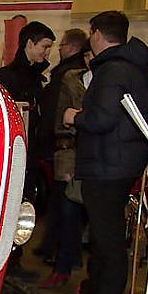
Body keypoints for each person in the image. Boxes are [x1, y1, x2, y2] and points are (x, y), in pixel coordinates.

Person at [63, 11, 148, 294]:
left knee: (108, 239)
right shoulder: (137, 69)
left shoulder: (112, 71)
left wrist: (74, 116)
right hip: (122, 161)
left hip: (107, 163)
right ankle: (94, 293)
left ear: (97, 33)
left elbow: (102, 119)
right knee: (106, 235)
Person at [0, 20, 56, 279]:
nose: (47, 53)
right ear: (29, 44)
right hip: (15, 157)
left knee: (25, 206)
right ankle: (6, 263)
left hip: (30, 156)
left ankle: (15, 260)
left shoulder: (35, 78)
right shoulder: (7, 77)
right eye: (44, 46)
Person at [35, 29, 90, 276]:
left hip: (68, 149)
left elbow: (57, 115)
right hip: (73, 149)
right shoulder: (75, 75)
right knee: (66, 206)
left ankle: (63, 261)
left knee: (67, 205)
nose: (54, 50)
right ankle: (62, 256)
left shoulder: (70, 77)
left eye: (57, 45)